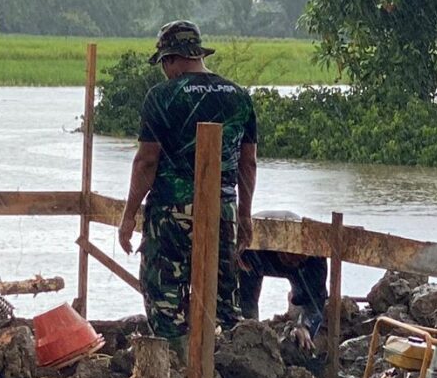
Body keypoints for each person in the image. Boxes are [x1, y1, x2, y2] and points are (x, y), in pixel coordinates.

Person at [118, 20, 257, 348]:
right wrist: (244, 216)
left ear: (170, 59)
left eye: (164, 64)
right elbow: (247, 163)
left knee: (165, 296)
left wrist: (128, 217)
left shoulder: (162, 97)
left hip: (171, 213)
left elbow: (146, 162)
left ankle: (178, 370)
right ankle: (229, 372)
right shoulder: (238, 97)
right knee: (224, 296)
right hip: (223, 210)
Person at [238, 211, 328, 351]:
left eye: (299, 257)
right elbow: (246, 296)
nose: (294, 260)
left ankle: (295, 308)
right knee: (247, 305)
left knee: (304, 296)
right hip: (260, 252)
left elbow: (316, 302)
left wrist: (305, 327)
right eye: (290, 256)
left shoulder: (314, 258)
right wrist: (249, 327)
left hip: (302, 266)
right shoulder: (255, 246)